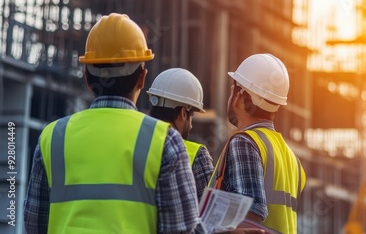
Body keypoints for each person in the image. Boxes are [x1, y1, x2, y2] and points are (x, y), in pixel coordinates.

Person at [23, 13, 263, 234]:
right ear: (141, 78)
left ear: (87, 78)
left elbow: (34, 224)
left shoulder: (51, 138)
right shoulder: (163, 141)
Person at [209, 53, 307, 234]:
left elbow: (249, 220)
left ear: (239, 95)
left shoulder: (244, 143)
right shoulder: (292, 159)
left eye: (232, 90)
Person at [147, 68, 214, 201]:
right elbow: (209, 210)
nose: (191, 125)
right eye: (191, 116)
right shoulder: (196, 154)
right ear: (184, 113)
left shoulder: (136, 142)